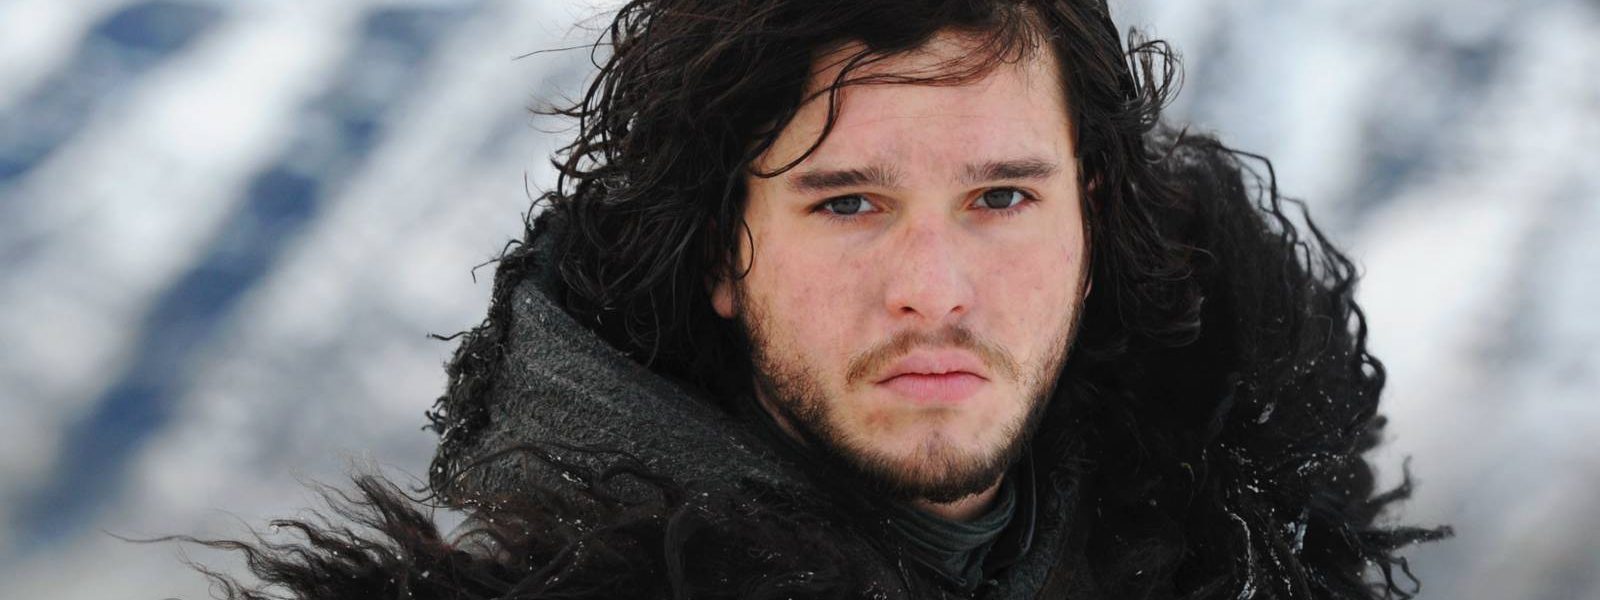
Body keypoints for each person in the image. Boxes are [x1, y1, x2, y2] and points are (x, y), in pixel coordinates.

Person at [191, 1, 1450, 598]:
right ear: (718, 255)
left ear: (1091, 227)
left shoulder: (1248, 560)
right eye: (847, 203)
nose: (933, 292)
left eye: (1000, 197)